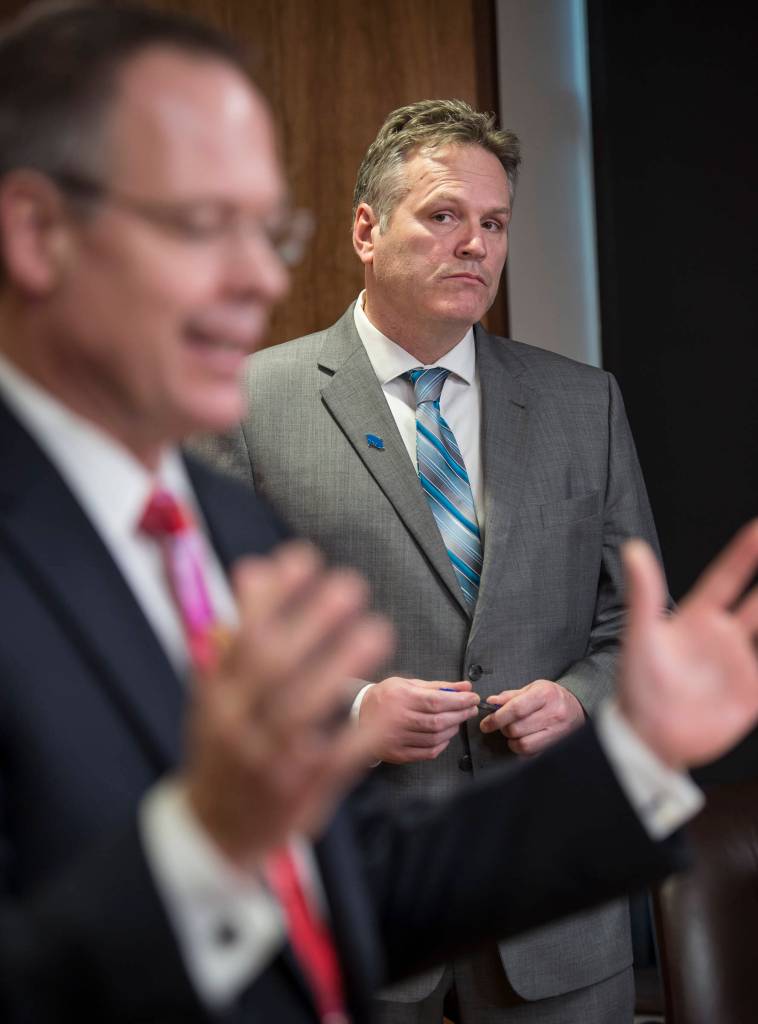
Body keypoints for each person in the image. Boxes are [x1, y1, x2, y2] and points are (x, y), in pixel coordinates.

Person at [1, 5, 757, 1024]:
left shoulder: (198, 518)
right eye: (197, 224)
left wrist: (632, 748)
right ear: (37, 232)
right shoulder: (220, 443)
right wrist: (215, 839)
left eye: (266, 230)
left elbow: (369, 887)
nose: (260, 278)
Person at [195, 99, 661, 1022]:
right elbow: (199, 636)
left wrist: (579, 698)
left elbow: (640, 629)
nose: (475, 245)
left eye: (493, 224)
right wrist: (354, 708)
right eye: (444, 216)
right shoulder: (247, 404)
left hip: (556, 916)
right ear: (367, 230)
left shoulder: (584, 404)